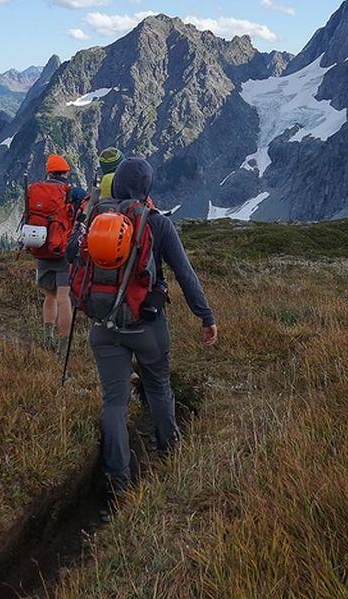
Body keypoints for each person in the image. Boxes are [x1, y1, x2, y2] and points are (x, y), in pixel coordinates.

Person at [89, 157, 217, 495]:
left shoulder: (94, 219)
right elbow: (186, 276)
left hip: (103, 327)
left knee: (114, 402)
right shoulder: (158, 224)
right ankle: (168, 454)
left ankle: (117, 479)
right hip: (147, 325)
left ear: (114, 185)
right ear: (147, 188)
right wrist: (206, 317)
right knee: (158, 388)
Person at [35, 153, 85, 345]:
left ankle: (48, 339)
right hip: (65, 252)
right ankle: (64, 344)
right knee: (64, 298)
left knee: (50, 295)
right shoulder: (75, 193)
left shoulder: (37, 191)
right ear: (66, 172)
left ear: (48, 172)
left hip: (43, 250)